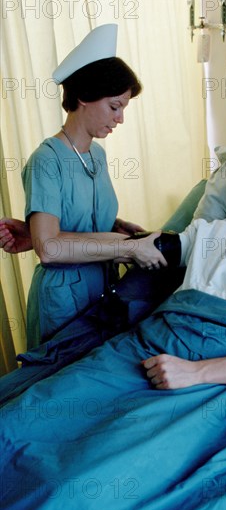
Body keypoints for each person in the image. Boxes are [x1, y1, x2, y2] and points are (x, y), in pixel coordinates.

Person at [2, 139, 226, 391]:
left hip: (211, 365)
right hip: (148, 343)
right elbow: (142, 248)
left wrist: (197, 373)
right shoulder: (219, 229)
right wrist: (45, 238)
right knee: (41, 400)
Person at [0, 24, 167, 350]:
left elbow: (85, 220)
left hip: (102, 288)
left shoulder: (98, 156)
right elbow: (49, 248)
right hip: (63, 298)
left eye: (123, 109)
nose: (119, 119)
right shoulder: (47, 160)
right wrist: (126, 246)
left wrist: (124, 230)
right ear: (83, 97)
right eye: (114, 106)